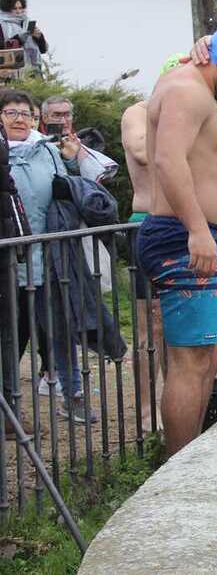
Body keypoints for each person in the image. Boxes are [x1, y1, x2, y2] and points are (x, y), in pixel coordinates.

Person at [137, 23, 217, 457]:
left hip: (189, 233)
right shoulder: (189, 91)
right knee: (192, 360)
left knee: (210, 351)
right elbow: (168, 162)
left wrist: (210, 229)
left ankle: (187, 456)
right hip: (178, 235)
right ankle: (178, 468)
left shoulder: (186, 83)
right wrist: (196, 230)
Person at [2, 88, 90, 424]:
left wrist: (71, 160)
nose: (21, 119)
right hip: (8, 265)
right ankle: (9, 412)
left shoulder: (46, 150)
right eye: (12, 113)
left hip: (49, 260)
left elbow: (68, 192)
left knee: (61, 332)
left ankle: (73, 396)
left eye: (27, 113)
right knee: (11, 341)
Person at [121, 53, 185, 432]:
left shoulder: (192, 115)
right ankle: (146, 413)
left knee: (182, 326)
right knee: (151, 329)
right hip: (147, 222)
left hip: (184, 227)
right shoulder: (138, 112)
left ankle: (177, 404)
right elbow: (144, 152)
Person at [0, 88, 32, 437]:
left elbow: (7, 192)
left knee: (9, 333)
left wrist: (21, 241)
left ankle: (10, 410)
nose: (20, 119)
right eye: (12, 112)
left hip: (5, 246)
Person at [0, 0, 48, 71]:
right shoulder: (1, 25)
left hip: (34, 71)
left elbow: (43, 50)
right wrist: (20, 38)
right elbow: (2, 49)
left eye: (21, 8)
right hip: (14, 72)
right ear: (6, 9)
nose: (19, 11)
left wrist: (39, 37)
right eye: (14, 8)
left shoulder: (26, 22)